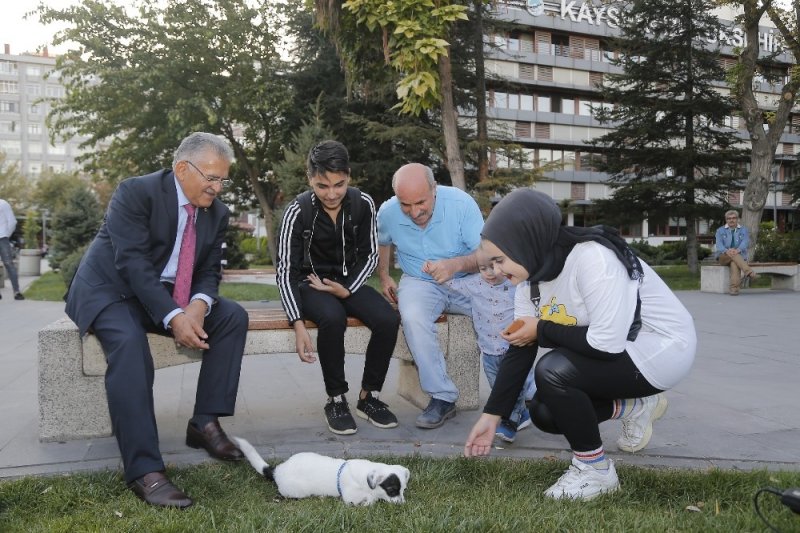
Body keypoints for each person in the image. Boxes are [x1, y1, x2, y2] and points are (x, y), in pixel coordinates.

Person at [464, 189, 696, 501]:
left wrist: (541, 329)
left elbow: (605, 345)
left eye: (500, 260)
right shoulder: (528, 281)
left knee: (554, 371)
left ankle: (595, 471)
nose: (497, 271)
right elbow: (520, 347)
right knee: (546, 412)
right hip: (619, 351)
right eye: (491, 262)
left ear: (525, 242)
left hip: (663, 349)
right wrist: (492, 416)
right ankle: (637, 406)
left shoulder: (593, 258)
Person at [65, 132, 248, 509]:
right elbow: (132, 264)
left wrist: (197, 305)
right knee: (130, 344)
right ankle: (145, 469)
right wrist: (172, 316)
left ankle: (204, 423)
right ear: (182, 168)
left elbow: (210, 270)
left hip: (164, 294)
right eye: (210, 178)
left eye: (222, 180)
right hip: (111, 290)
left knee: (231, 316)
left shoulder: (218, 212)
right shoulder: (136, 192)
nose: (216, 188)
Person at [277, 140, 400, 435]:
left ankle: (369, 397)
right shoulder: (297, 211)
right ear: (310, 179)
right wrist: (297, 323)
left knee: (388, 319)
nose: (331, 194)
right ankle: (336, 399)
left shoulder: (363, 204)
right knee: (332, 318)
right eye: (322, 186)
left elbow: (371, 254)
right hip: (312, 285)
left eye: (339, 184)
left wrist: (347, 290)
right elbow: (285, 271)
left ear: (349, 176)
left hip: (349, 283)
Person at [377, 163, 484, 429]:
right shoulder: (388, 211)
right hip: (419, 281)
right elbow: (383, 240)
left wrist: (454, 266)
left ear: (434, 189)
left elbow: (486, 255)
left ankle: (526, 391)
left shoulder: (462, 204)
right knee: (412, 317)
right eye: (406, 205)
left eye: (421, 202)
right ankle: (442, 397)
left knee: (502, 313)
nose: (414, 212)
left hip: (468, 279)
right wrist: (385, 276)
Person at [468, 256, 535, 443]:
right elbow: (453, 284)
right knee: (497, 387)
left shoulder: (516, 286)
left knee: (515, 386)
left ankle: (509, 421)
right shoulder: (475, 285)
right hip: (488, 352)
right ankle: (522, 414)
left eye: (493, 267)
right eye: (483, 268)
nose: (490, 273)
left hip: (511, 350)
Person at [714, 209, 757, 295]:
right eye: (729, 218)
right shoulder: (720, 231)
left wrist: (737, 250)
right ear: (726, 220)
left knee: (734, 262)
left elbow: (745, 242)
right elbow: (719, 245)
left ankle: (734, 289)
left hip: (738, 256)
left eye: (734, 218)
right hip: (723, 257)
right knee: (734, 256)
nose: (731, 220)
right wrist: (727, 251)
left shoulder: (743, 230)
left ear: (737, 219)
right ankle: (749, 272)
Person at [0, 198, 24, 300]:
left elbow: (12, 221)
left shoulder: (3, 203)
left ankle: (16, 292)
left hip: (2, 238)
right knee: (9, 264)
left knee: (9, 264)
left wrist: (6, 235)